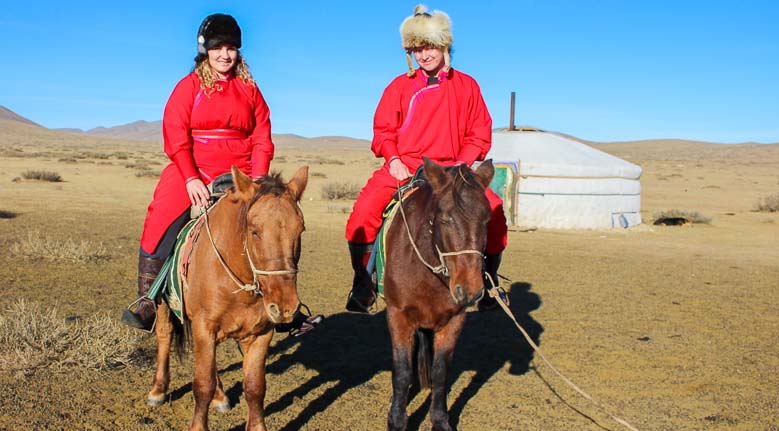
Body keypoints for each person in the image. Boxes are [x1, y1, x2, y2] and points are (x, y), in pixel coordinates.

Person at [122, 13, 318, 335]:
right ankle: (147, 299)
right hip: (195, 168)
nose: (225, 54)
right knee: (160, 213)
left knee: (274, 223)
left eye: (231, 48)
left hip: (242, 172)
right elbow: (175, 134)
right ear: (205, 51)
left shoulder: (250, 89)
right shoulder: (189, 87)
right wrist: (189, 177)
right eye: (218, 48)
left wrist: (256, 180)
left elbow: (261, 137)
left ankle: (286, 303)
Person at [344, 5, 508, 313]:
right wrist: (392, 158)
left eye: (429, 46)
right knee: (362, 214)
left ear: (444, 45)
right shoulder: (399, 86)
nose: (424, 54)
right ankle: (362, 283)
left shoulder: (467, 86)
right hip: (406, 165)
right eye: (416, 48)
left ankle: (489, 278)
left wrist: (463, 162)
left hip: (453, 168)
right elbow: (383, 130)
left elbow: (480, 133)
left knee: (495, 210)